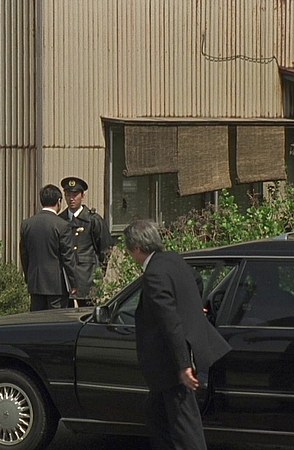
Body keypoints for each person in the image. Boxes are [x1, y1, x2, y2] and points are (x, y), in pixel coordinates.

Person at [124, 219, 231, 450]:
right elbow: (197, 280)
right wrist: (194, 307)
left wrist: (183, 366)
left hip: (169, 363)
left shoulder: (154, 274)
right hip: (171, 363)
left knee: (185, 425)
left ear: (137, 248)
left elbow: (170, 322)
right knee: (156, 414)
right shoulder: (174, 259)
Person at [20, 184, 78, 311]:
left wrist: (28, 277)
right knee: (56, 318)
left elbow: (24, 255)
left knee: (37, 318)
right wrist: (73, 283)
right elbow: (67, 257)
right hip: (56, 285)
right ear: (59, 201)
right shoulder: (62, 225)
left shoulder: (27, 224)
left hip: (35, 282)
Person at [59, 176, 112, 307]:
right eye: (68, 195)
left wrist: (99, 275)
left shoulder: (92, 219)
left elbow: (105, 249)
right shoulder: (60, 220)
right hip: (65, 278)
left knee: (87, 312)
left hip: (87, 276)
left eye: (75, 195)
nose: (71, 199)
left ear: (82, 196)